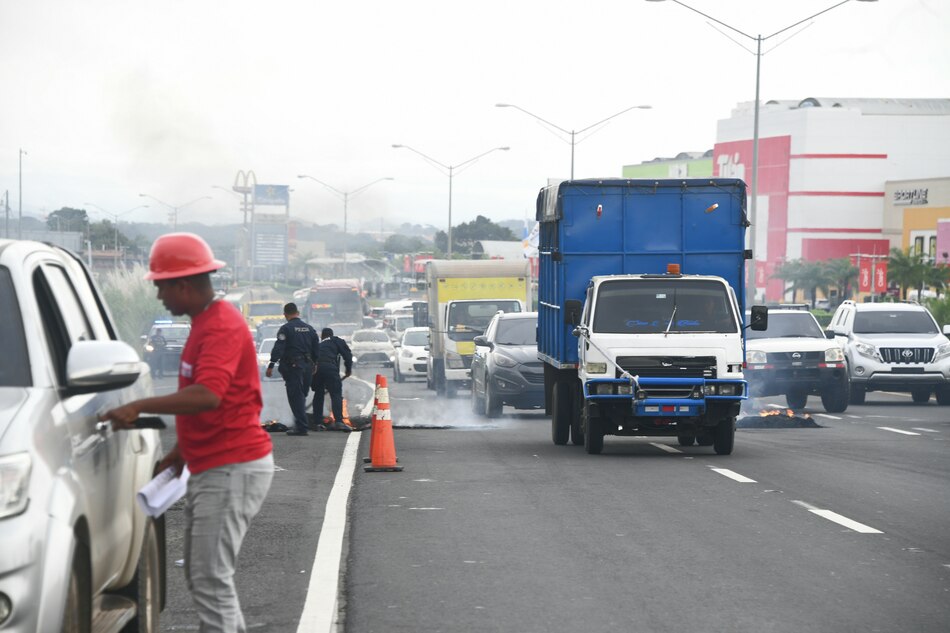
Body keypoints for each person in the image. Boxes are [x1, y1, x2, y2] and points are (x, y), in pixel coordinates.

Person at [99, 232, 273, 633]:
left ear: (183, 284)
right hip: (216, 464)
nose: (160, 297)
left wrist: (138, 405)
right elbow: (216, 402)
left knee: (211, 580)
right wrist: (182, 451)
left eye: (161, 287)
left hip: (233, 468)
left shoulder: (220, 326)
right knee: (205, 578)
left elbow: (208, 395)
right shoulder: (204, 322)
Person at [265, 302, 320, 436]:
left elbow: (279, 347)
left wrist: (271, 365)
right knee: (302, 395)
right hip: (307, 366)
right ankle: (300, 422)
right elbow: (316, 347)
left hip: (293, 366)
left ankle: (301, 427)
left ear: (285, 314)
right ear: (298, 313)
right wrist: (315, 364)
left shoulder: (286, 329)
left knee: (295, 396)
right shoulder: (309, 328)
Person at [312, 327, 353, 432]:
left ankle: (317, 423)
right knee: (335, 394)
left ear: (322, 336)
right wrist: (348, 369)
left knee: (318, 394)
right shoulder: (336, 340)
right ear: (332, 334)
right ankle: (339, 421)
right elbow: (347, 355)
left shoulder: (318, 344)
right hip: (330, 367)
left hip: (316, 369)